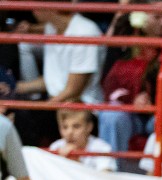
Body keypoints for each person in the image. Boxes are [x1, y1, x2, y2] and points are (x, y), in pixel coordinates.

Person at [13, 2, 105, 148]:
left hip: (81, 107)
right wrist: (14, 87)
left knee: (24, 119)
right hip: (57, 103)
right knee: (16, 112)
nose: (33, 8)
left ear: (53, 5)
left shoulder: (85, 31)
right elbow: (53, 80)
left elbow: (73, 90)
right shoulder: (52, 28)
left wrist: (41, 107)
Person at [49, 109, 118, 172]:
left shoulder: (102, 148)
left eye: (76, 126)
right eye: (65, 127)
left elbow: (106, 177)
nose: (69, 132)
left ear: (89, 127)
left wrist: (76, 162)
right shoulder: (55, 147)